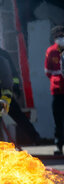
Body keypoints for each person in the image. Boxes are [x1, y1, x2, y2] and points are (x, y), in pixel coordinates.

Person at [0, 30, 42, 146]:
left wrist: (15, 87)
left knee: (17, 116)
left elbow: (13, 73)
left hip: (1, 95)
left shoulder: (1, 54)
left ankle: (35, 137)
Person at [44, 25, 64, 155]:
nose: (60, 38)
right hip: (57, 91)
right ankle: (59, 146)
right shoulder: (51, 51)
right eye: (57, 37)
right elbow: (48, 71)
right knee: (58, 120)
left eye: (62, 35)